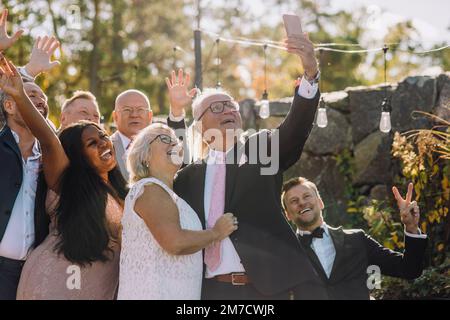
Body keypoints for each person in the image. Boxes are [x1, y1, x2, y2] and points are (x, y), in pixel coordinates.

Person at [173, 32, 328, 300]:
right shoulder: (188, 176)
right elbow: (168, 159)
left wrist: (310, 72)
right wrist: (176, 113)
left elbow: (296, 128)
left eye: (231, 106)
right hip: (208, 290)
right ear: (199, 125)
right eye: (217, 107)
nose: (229, 111)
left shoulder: (261, 148)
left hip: (265, 290)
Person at [0, 57, 128, 299]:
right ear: (77, 154)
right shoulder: (65, 180)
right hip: (56, 281)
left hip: (101, 284)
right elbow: (48, 137)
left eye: (103, 136)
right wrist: (19, 93)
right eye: (91, 143)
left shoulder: (122, 187)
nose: (103, 143)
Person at [117, 123, 237, 299]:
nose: (174, 143)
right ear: (144, 156)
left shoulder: (172, 196)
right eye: (165, 138)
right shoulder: (150, 188)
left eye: (176, 140)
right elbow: (175, 242)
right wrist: (216, 233)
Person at [281, 177, 428, 299]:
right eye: (294, 201)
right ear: (287, 214)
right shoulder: (285, 254)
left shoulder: (357, 239)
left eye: (307, 196)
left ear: (320, 202)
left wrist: (411, 227)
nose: (301, 202)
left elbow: (409, 269)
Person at [111, 89, 152, 180]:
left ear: (150, 116)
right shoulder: (106, 148)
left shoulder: (160, 146)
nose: (134, 115)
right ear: (115, 117)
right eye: (127, 110)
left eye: (140, 110)